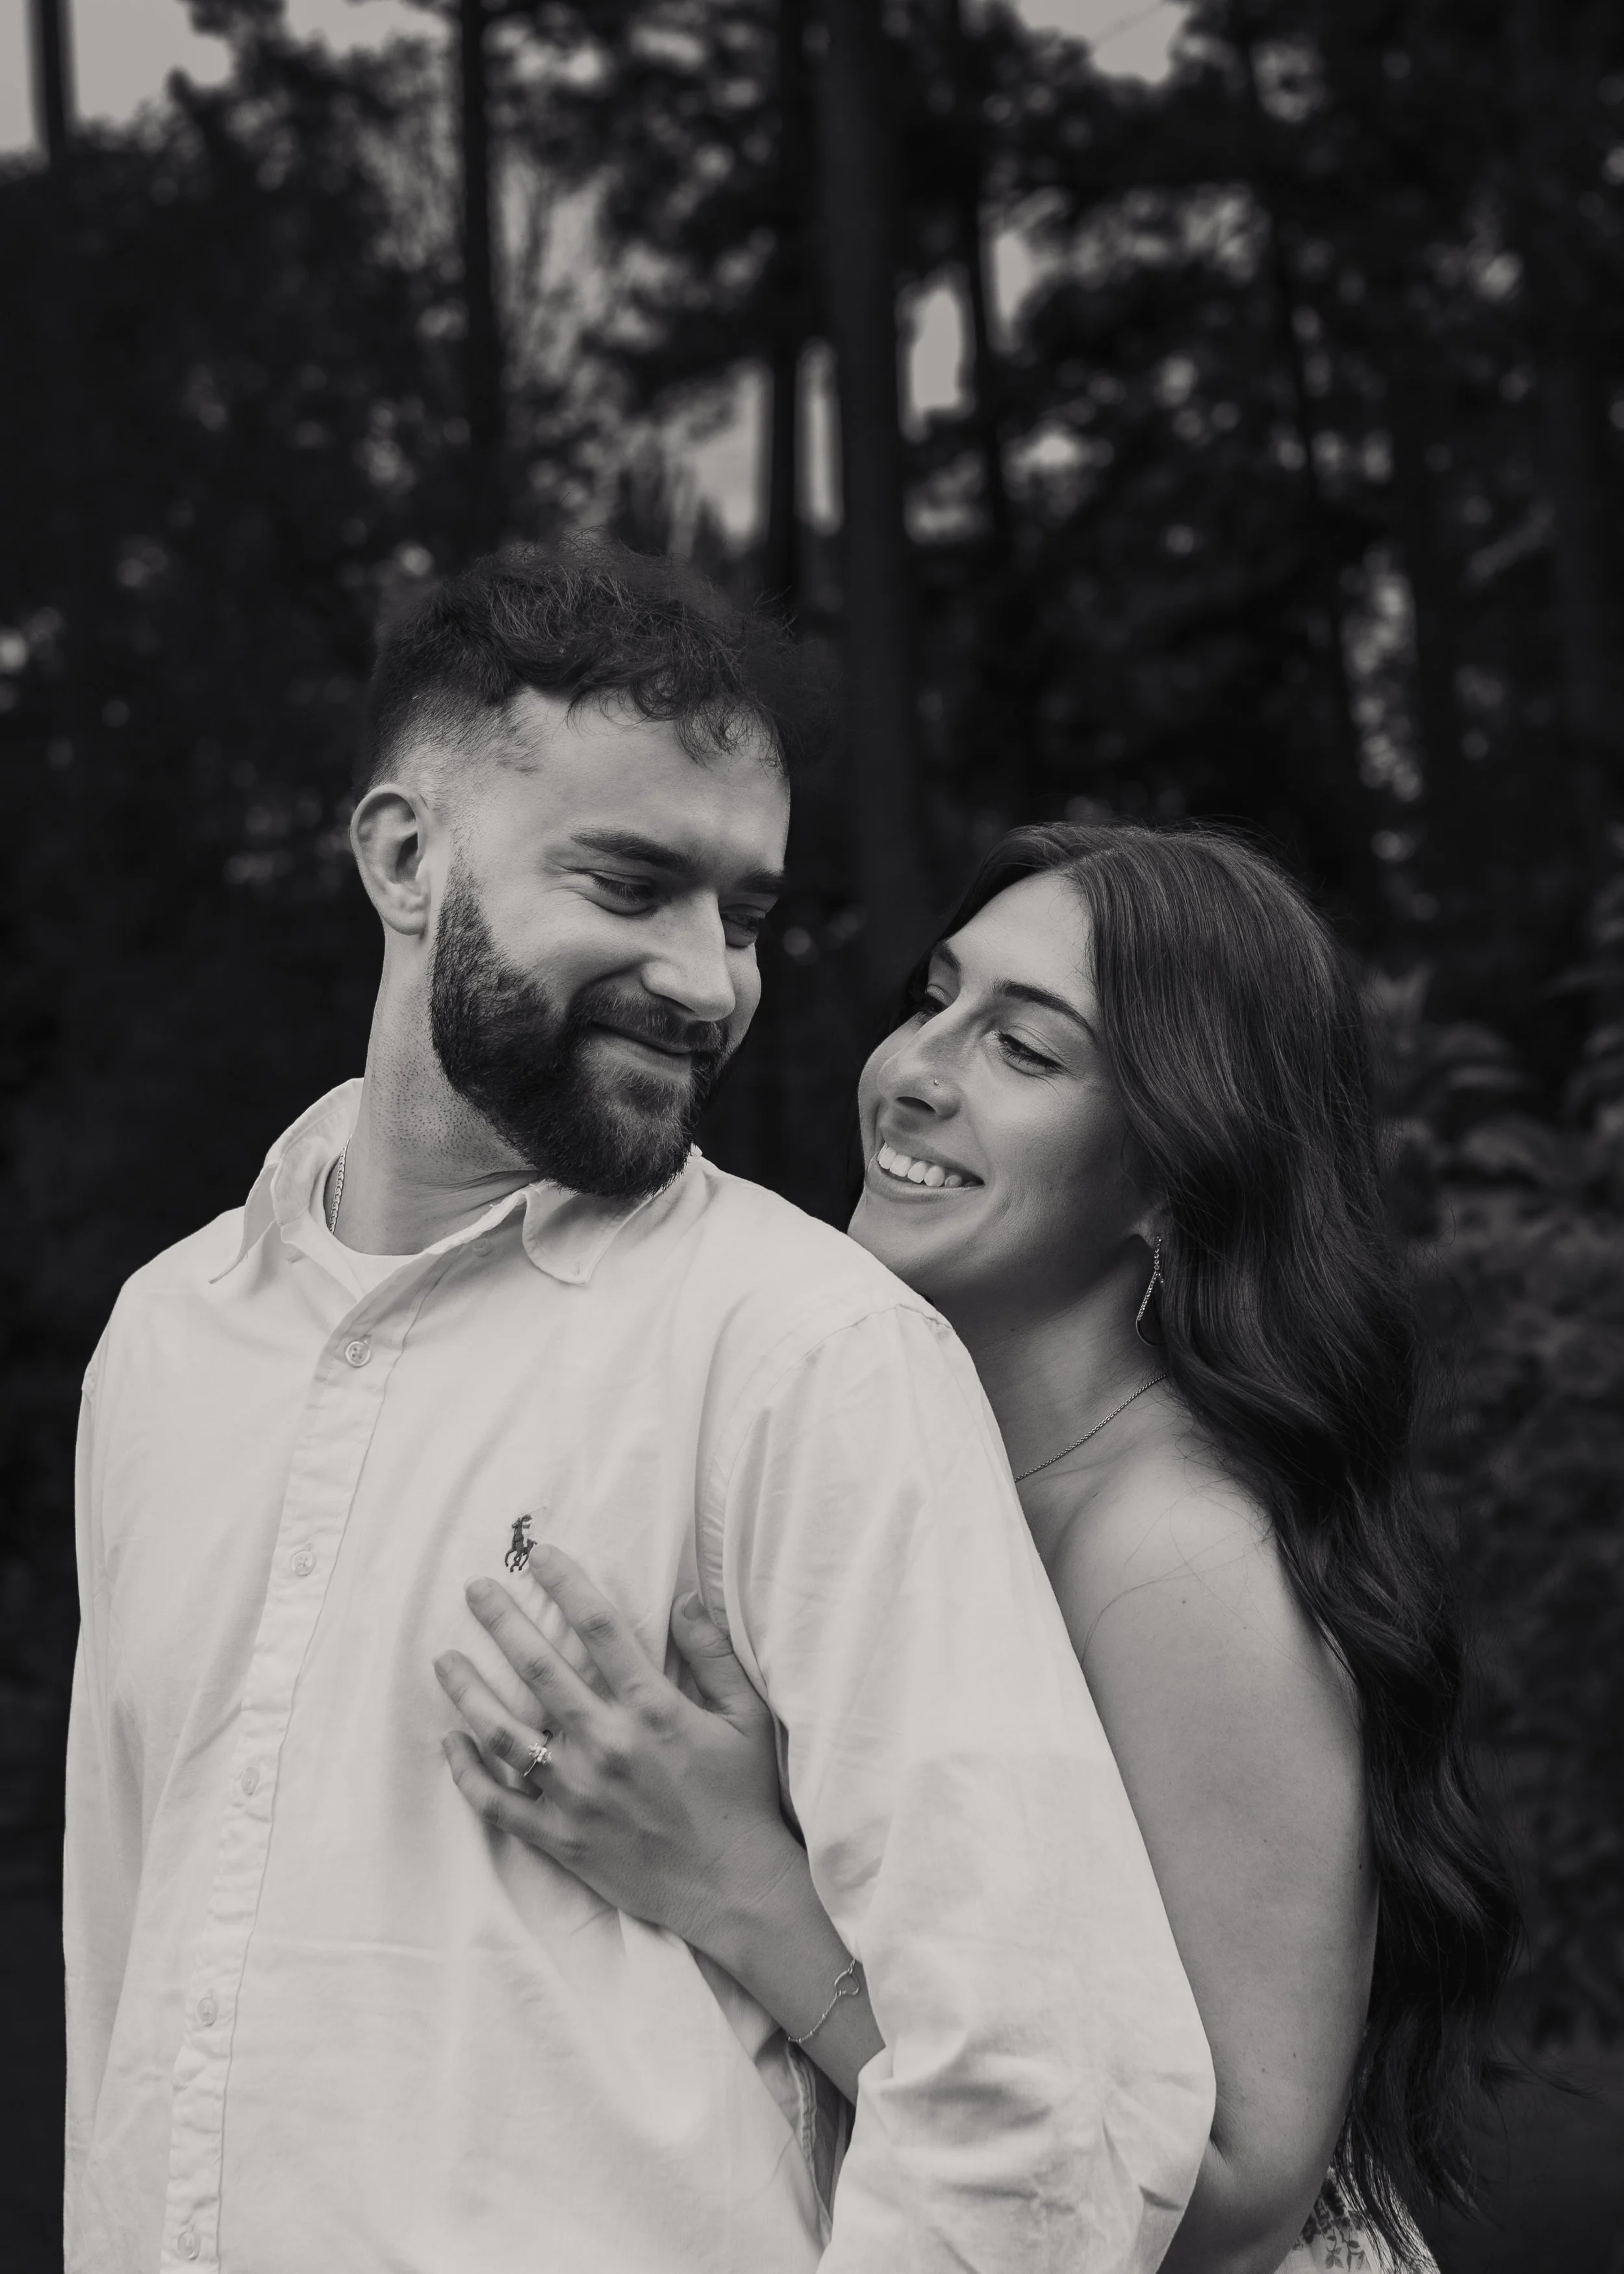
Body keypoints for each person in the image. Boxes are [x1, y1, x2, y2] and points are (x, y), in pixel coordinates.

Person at [64, 547, 1217, 2274]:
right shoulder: (163, 1346)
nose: (708, 980)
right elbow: (121, 1965)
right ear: (403, 856)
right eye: (632, 882)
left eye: (743, 914)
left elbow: (1055, 2099)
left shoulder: (809, 1353)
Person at [438, 821, 1519, 2274]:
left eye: (1024, 1049)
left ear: (1169, 1173)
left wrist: (738, 1882)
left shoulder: (1177, 1562)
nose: (914, 1070)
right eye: (932, 999)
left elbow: (1235, 2193)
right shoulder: (909, 1470)